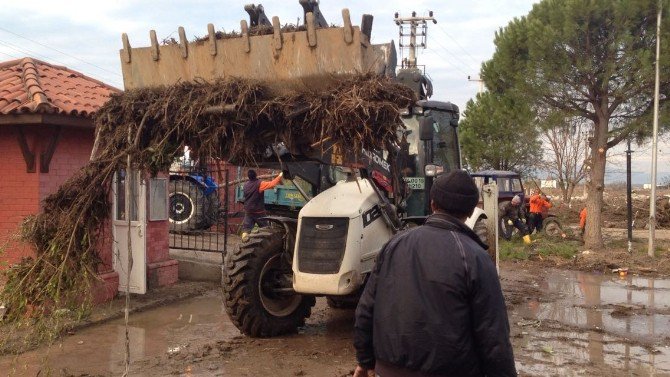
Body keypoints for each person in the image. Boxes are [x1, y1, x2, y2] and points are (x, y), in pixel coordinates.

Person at [353, 170, 517, 377]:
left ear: (432, 204)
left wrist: (365, 360)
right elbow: (494, 337)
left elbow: (366, 309)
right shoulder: (475, 258)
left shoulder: (393, 244)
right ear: (470, 210)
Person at [241, 169, 283, 242]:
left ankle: (244, 241)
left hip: (248, 211)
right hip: (258, 212)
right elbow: (272, 184)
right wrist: (280, 176)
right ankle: (266, 243)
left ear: (248, 177)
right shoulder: (259, 184)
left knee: (246, 228)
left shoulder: (245, 185)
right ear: (256, 175)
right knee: (265, 228)